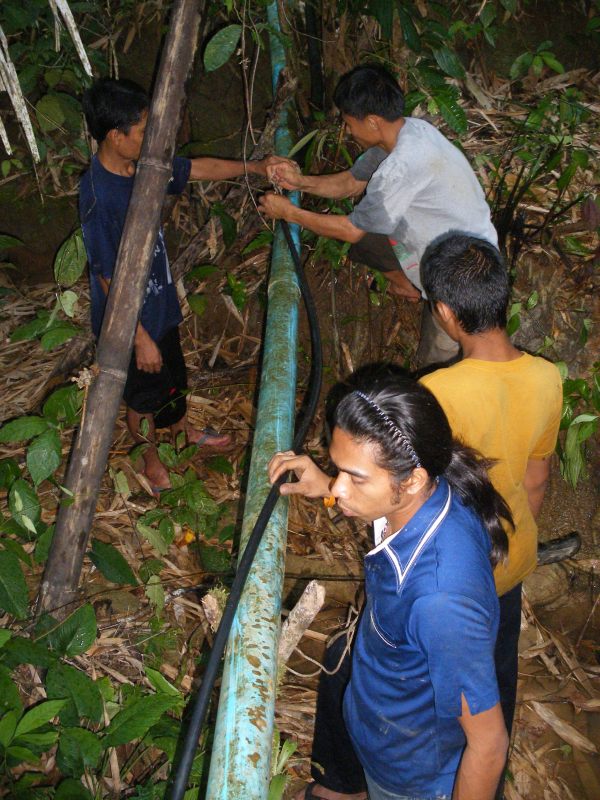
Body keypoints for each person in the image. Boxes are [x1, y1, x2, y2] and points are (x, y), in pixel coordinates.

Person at [294, 235, 567, 800]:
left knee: (461, 708)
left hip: (447, 578)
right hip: (504, 556)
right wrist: (503, 554)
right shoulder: (547, 378)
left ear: (443, 311)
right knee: (489, 684)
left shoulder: (434, 394)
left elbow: (392, 488)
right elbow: (536, 482)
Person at [269, 373, 511, 800]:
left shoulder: (440, 601)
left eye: (355, 477)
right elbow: (371, 498)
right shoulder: (427, 496)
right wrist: (325, 486)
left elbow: (489, 745)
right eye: (338, 469)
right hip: (384, 725)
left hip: (409, 775)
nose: (339, 487)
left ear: (412, 479)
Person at [80, 77, 276, 492]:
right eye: (142, 131)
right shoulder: (99, 196)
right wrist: (138, 338)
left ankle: (183, 433)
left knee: (173, 377)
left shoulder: (143, 166)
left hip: (159, 304)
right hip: (128, 323)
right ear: (115, 136)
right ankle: (150, 458)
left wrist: (256, 168)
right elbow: (106, 275)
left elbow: (198, 169)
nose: (151, 138)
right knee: (143, 397)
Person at [258, 64, 498, 366]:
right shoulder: (410, 132)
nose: (347, 131)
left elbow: (350, 230)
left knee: (438, 364)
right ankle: (409, 285)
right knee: (369, 237)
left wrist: (289, 213)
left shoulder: (400, 166)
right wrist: (300, 183)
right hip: (459, 249)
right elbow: (351, 183)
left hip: (465, 279)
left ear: (372, 122)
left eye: (349, 123)